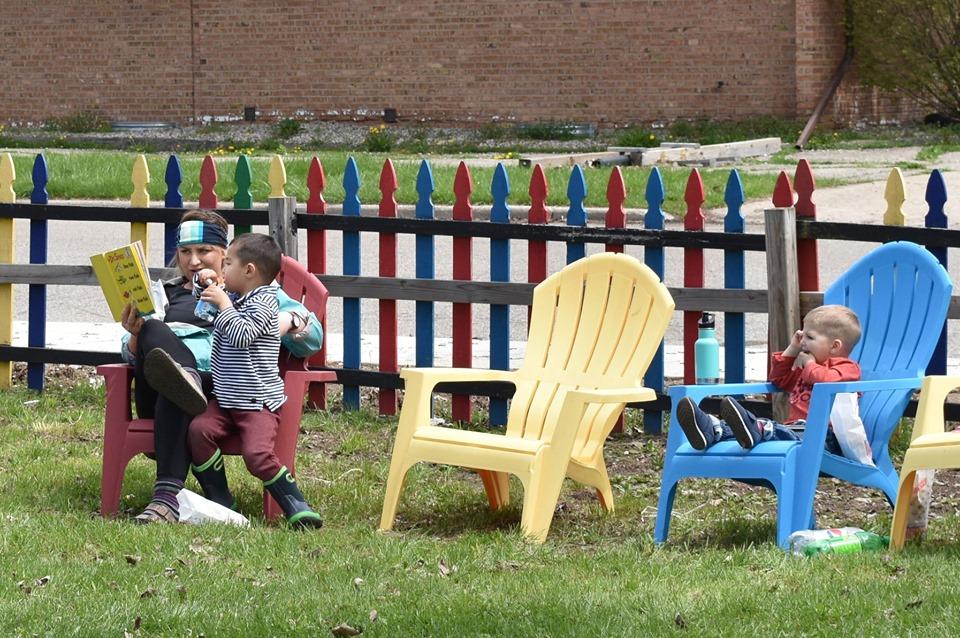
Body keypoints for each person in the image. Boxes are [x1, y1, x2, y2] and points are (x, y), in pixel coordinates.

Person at [119, 210, 317, 524]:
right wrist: (134, 336)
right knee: (157, 338)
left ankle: (166, 499)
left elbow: (312, 336)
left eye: (204, 251)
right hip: (161, 389)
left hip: (225, 391)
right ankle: (185, 378)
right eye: (185, 252)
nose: (193, 261)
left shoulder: (254, 295)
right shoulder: (166, 296)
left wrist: (292, 320)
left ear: (226, 255)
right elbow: (130, 358)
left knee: (179, 387)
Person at [180, 233, 323, 529]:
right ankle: (220, 498)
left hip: (257, 402)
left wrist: (224, 305)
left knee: (256, 455)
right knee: (198, 431)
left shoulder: (265, 304)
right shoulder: (236, 294)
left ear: (249, 271)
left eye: (227, 263)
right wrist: (204, 281)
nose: (222, 269)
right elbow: (203, 300)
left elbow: (243, 335)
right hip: (226, 398)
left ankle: (296, 504)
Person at [675, 305, 862, 454]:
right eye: (802, 335)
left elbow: (824, 381)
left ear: (835, 346)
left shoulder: (848, 369)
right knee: (774, 429)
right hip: (797, 431)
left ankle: (756, 428)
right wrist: (792, 349)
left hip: (826, 438)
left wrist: (810, 364)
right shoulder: (807, 369)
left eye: (810, 337)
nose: (803, 341)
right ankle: (714, 429)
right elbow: (778, 380)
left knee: (771, 428)